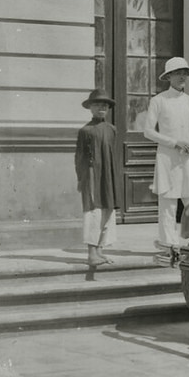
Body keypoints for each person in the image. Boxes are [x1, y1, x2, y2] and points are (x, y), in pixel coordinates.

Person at [144, 57, 189, 250]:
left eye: (184, 73)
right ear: (169, 76)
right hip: (167, 158)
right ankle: (168, 246)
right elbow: (148, 131)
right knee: (168, 205)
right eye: (178, 73)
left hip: (187, 158)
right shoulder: (158, 100)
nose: (182, 77)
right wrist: (174, 143)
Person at [75, 89, 121, 268]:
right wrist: (81, 178)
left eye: (105, 105)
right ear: (90, 108)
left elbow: (112, 153)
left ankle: (100, 249)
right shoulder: (85, 131)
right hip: (92, 173)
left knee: (108, 209)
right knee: (94, 211)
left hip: (108, 174)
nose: (102, 108)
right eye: (97, 105)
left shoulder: (112, 129)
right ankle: (91, 253)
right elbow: (79, 157)